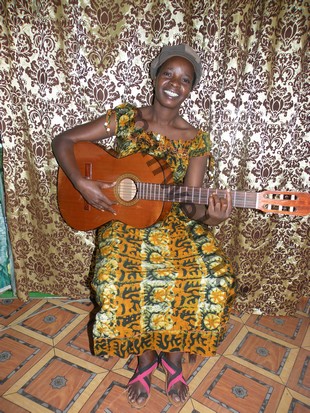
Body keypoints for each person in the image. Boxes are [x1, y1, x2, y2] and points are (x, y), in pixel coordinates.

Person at [52, 44, 236, 409]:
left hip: (176, 223)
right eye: (168, 74)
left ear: (191, 89)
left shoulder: (196, 139)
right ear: (154, 77)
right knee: (116, 277)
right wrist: (81, 181)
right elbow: (64, 141)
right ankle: (146, 357)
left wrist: (210, 217)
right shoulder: (125, 119)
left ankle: (175, 355)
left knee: (213, 277)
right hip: (124, 218)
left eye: (185, 80)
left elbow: (192, 201)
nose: (174, 84)